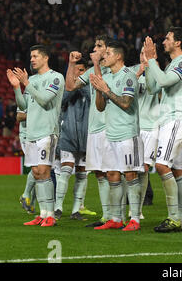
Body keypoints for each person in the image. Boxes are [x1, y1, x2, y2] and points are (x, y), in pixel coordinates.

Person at [143, 27, 182, 232]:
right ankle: (181, 220)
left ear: (178, 43)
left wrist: (150, 60)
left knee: (162, 166)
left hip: (175, 121)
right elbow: (152, 88)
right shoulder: (172, 65)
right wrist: (150, 65)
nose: (163, 41)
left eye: (167, 38)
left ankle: (173, 216)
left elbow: (164, 82)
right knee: (176, 171)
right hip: (170, 121)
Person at [7, 44, 65, 227]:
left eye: (35, 56)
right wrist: (17, 88)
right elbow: (24, 106)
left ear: (45, 58)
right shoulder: (30, 79)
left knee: (45, 171)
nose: (31, 59)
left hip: (47, 131)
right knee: (36, 173)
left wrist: (26, 84)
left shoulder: (55, 78)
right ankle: (43, 214)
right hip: (31, 132)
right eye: (31, 56)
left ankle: (51, 216)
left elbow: (45, 100)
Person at [89, 40, 144, 231]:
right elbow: (100, 107)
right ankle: (115, 218)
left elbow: (126, 103)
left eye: (108, 53)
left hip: (128, 134)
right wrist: (99, 90)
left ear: (118, 56)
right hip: (110, 134)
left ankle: (135, 219)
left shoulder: (128, 76)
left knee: (130, 174)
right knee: (112, 174)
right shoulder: (107, 78)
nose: (104, 56)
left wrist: (106, 90)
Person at [65, 35, 112, 227]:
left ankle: (123, 215)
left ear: (109, 50)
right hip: (94, 128)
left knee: (114, 172)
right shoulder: (92, 70)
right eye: (95, 44)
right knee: (100, 173)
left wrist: (96, 65)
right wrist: (70, 64)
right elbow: (70, 86)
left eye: (99, 45)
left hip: (111, 128)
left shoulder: (116, 71)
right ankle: (107, 216)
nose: (94, 47)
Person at [54, 58, 95, 221]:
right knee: (65, 171)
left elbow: (95, 102)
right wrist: (72, 87)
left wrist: (82, 86)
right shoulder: (66, 89)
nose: (78, 74)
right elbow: (61, 102)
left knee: (82, 174)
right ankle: (57, 207)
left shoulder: (91, 88)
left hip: (86, 136)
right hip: (69, 134)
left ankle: (76, 210)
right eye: (75, 70)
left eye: (81, 71)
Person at [129, 47, 160, 218]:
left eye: (147, 54)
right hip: (133, 126)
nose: (144, 57)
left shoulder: (158, 72)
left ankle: (138, 210)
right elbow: (123, 90)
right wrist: (139, 72)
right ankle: (130, 206)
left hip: (152, 126)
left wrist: (150, 68)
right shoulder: (131, 71)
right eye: (142, 53)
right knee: (130, 169)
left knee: (144, 168)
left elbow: (154, 90)